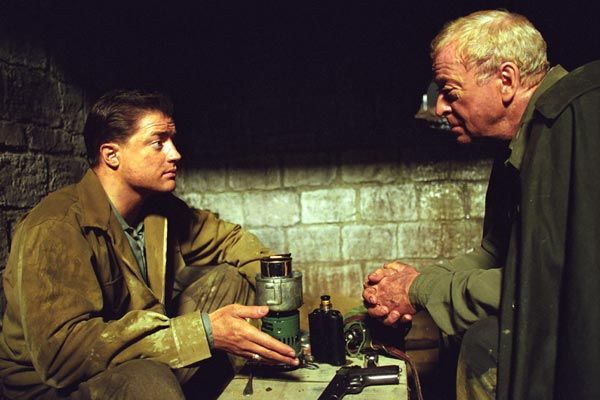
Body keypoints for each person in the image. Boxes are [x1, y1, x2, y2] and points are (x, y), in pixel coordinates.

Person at [0, 89, 299, 399]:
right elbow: (61, 355)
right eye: (158, 142)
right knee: (147, 379)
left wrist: (284, 295)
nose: (175, 154)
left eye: (172, 141)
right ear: (111, 155)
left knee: (229, 281)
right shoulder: (55, 227)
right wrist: (205, 333)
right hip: (54, 385)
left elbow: (231, 241)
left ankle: (249, 383)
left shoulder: (158, 209)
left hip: (131, 350)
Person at [363, 9, 600, 400]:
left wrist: (420, 288)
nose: (440, 107)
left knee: (484, 345)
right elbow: (495, 254)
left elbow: (541, 284)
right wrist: (411, 282)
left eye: (450, 91)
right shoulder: (517, 148)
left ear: (506, 80)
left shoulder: (573, 124)